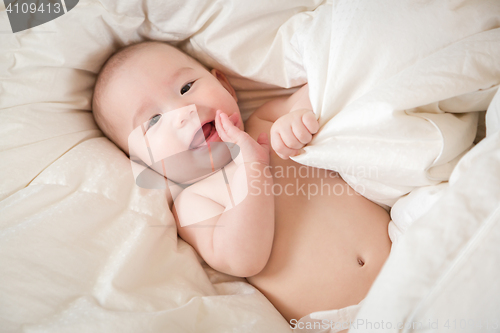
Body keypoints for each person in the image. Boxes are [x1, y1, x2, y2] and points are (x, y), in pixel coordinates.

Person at [92, 40, 392, 326]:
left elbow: (328, 89)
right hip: (341, 321)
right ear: (143, 162)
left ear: (225, 85)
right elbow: (242, 259)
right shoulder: (193, 202)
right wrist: (253, 167)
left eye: (186, 87)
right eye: (154, 120)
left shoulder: (267, 121)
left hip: (405, 256)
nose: (183, 114)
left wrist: (301, 118)